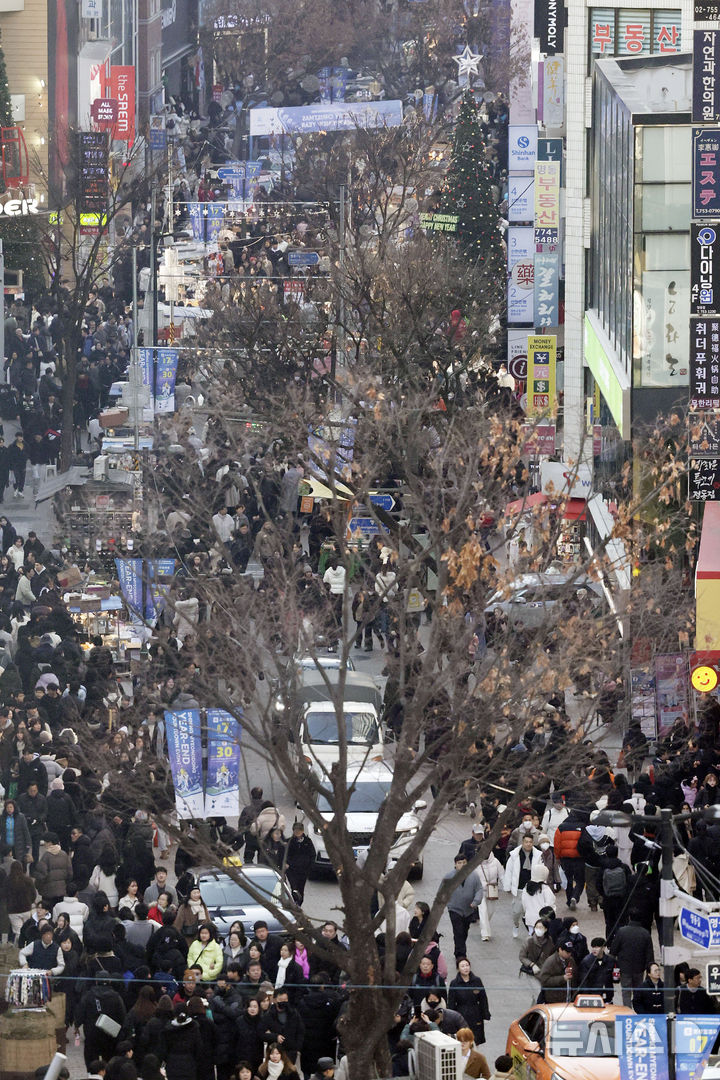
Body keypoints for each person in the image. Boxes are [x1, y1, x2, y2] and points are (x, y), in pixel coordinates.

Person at [443, 853, 484, 959]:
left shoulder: (474, 875)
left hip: (469, 910)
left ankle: (458, 949)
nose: (462, 865)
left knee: (464, 931)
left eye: (464, 863)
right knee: (458, 931)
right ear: (455, 865)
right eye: (459, 863)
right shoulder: (449, 877)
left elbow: (479, 889)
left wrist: (476, 901)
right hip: (454, 909)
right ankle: (461, 955)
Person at [610, 910, 654, 1007]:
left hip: (624, 967)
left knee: (625, 991)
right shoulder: (645, 933)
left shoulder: (622, 931)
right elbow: (649, 954)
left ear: (629, 917)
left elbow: (613, 950)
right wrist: (649, 969)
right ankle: (637, 1009)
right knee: (638, 991)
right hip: (639, 968)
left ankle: (627, 1010)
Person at [503, 833, 543, 938]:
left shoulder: (537, 855)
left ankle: (531, 931)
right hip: (519, 887)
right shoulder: (514, 855)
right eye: (526, 842)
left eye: (530, 842)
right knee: (517, 911)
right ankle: (516, 925)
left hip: (531, 888)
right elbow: (509, 871)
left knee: (530, 912)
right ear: (522, 842)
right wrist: (507, 886)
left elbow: (541, 870)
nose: (528, 844)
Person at [448, 958, 491, 1045]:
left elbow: (483, 998)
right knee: (463, 1040)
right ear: (458, 968)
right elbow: (451, 1002)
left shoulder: (477, 981)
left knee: (476, 1040)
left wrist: (485, 1013)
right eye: (462, 966)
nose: (465, 968)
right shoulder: (454, 983)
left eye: (467, 965)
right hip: (461, 1014)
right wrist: (451, 1018)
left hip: (476, 1014)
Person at [554, 808, 587, 910]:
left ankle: (569, 900)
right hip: (579, 858)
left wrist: (558, 857)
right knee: (580, 880)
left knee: (568, 879)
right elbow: (586, 843)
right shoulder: (583, 827)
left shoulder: (561, 827)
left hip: (565, 858)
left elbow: (557, 844)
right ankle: (575, 897)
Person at [160, 1007, 203, 1080]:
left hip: (172, 1066)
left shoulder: (168, 1030)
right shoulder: (193, 1028)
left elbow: (163, 1050)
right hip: (189, 1065)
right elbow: (199, 1048)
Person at [34, 832, 73, 908]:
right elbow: (70, 873)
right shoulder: (64, 854)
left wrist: (38, 887)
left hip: (48, 893)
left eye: (45, 842)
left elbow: (41, 876)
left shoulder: (46, 857)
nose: (44, 844)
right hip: (62, 892)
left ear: (50, 843)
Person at [577, 937, 617, 1002]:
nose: (594, 949)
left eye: (597, 947)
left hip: (607, 995)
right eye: (593, 947)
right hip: (592, 996)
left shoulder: (610, 961)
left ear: (603, 947)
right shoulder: (586, 961)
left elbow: (614, 978)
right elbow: (583, 982)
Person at [285, 821, 316, 904]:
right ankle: (295, 902)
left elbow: (312, 854)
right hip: (291, 870)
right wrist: (286, 863)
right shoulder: (289, 841)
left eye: (299, 831)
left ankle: (299, 903)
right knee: (294, 887)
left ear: (302, 831)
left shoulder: (308, 842)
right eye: (295, 831)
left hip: (303, 870)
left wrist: (310, 867)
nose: (297, 832)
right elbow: (284, 854)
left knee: (300, 888)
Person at [538, 939, 578, 1003]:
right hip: (554, 1001)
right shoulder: (550, 962)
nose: (569, 954)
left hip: (569, 999)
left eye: (570, 952)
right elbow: (544, 980)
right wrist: (562, 978)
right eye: (567, 952)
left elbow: (575, 978)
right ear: (560, 950)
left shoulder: (571, 960)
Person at [521, 864, 555, 933]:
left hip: (530, 918)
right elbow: (550, 904)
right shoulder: (545, 888)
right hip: (542, 919)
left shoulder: (526, 888)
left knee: (533, 937)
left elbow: (524, 903)